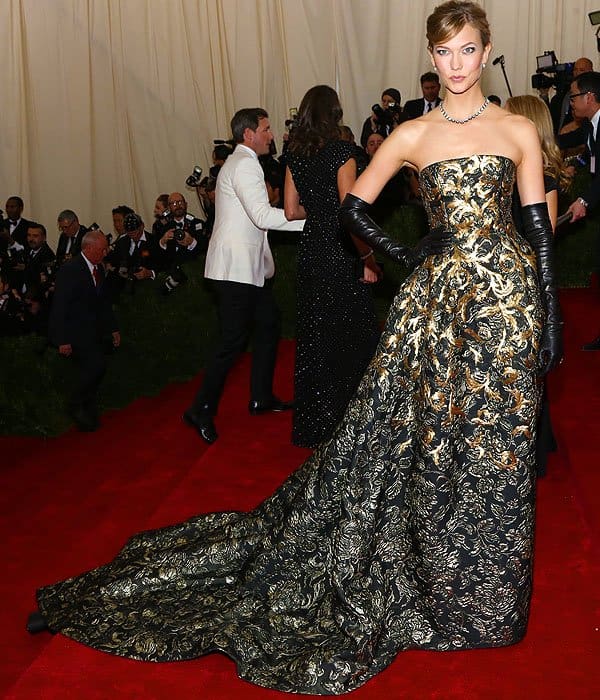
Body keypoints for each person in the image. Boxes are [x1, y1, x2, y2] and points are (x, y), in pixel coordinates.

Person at [27, 2, 562, 695]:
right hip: (438, 309)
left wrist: (545, 316)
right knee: (433, 445)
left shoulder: (518, 128)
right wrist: (409, 253)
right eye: (444, 53)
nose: (456, 65)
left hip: (508, 305)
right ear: (431, 58)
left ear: (488, 51)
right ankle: (443, 592)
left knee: (501, 449)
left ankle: (492, 605)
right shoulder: (411, 133)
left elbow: (538, 229)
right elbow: (351, 207)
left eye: (467, 50)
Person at [182, 107, 304, 445]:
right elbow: (263, 215)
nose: (270, 134)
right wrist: (314, 222)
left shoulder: (239, 163)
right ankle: (200, 408)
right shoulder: (246, 163)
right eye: (265, 129)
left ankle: (260, 397)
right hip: (235, 270)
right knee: (232, 341)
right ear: (248, 133)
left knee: (268, 325)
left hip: (246, 269)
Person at [285, 85, 381, 448]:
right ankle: (355, 426)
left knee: (315, 335)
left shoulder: (295, 153)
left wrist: (320, 208)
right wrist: (368, 258)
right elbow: (349, 213)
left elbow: (292, 211)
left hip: (311, 248)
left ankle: (315, 426)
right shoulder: (343, 151)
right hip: (338, 249)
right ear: (336, 114)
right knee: (352, 334)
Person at [506, 94, 570, 475]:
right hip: (518, 277)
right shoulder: (526, 174)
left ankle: (531, 442)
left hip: (525, 278)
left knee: (527, 365)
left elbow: (540, 235)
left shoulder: (536, 177)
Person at [48, 230, 120, 432]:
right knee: (96, 366)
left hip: (94, 331)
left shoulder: (99, 268)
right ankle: (75, 403)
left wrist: (113, 328)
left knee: (97, 367)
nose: (106, 252)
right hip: (75, 332)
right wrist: (62, 340)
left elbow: (103, 302)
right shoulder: (69, 270)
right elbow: (60, 306)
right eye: (102, 249)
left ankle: (86, 406)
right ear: (88, 248)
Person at [557, 70, 600, 351]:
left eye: (573, 96)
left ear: (589, 97)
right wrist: (576, 165)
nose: (570, 102)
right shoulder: (594, 124)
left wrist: (583, 201)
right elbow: (590, 151)